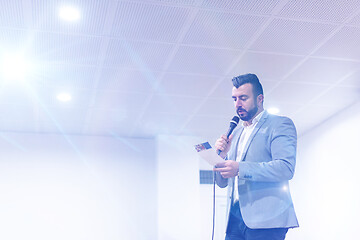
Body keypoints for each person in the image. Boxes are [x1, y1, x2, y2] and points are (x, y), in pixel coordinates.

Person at [213, 73, 298, 240]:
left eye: (243, 98)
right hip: (235, 218)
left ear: (260, 99)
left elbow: (285, 168)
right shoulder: (236, 133)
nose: (238, 104)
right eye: (234, 99)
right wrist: (221, 157)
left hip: (267, 220)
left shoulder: (280, 124)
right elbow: (222, 183)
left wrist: (240, 168)